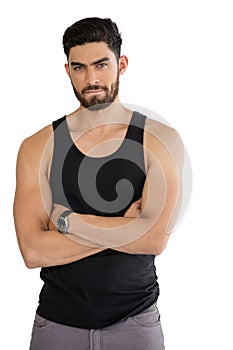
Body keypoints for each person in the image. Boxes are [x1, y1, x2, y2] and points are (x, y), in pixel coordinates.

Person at [13, 17, 183, 350]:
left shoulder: (159, 140)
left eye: (101, 65)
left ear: (121, 64)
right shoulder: (37, 147)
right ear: (67, 71)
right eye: (79, 68)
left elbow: (153, 240)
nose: (91, 79)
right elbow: (33, 251)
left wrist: (67, 223)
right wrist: (127, 226)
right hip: (57, 324)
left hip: (136, 322)